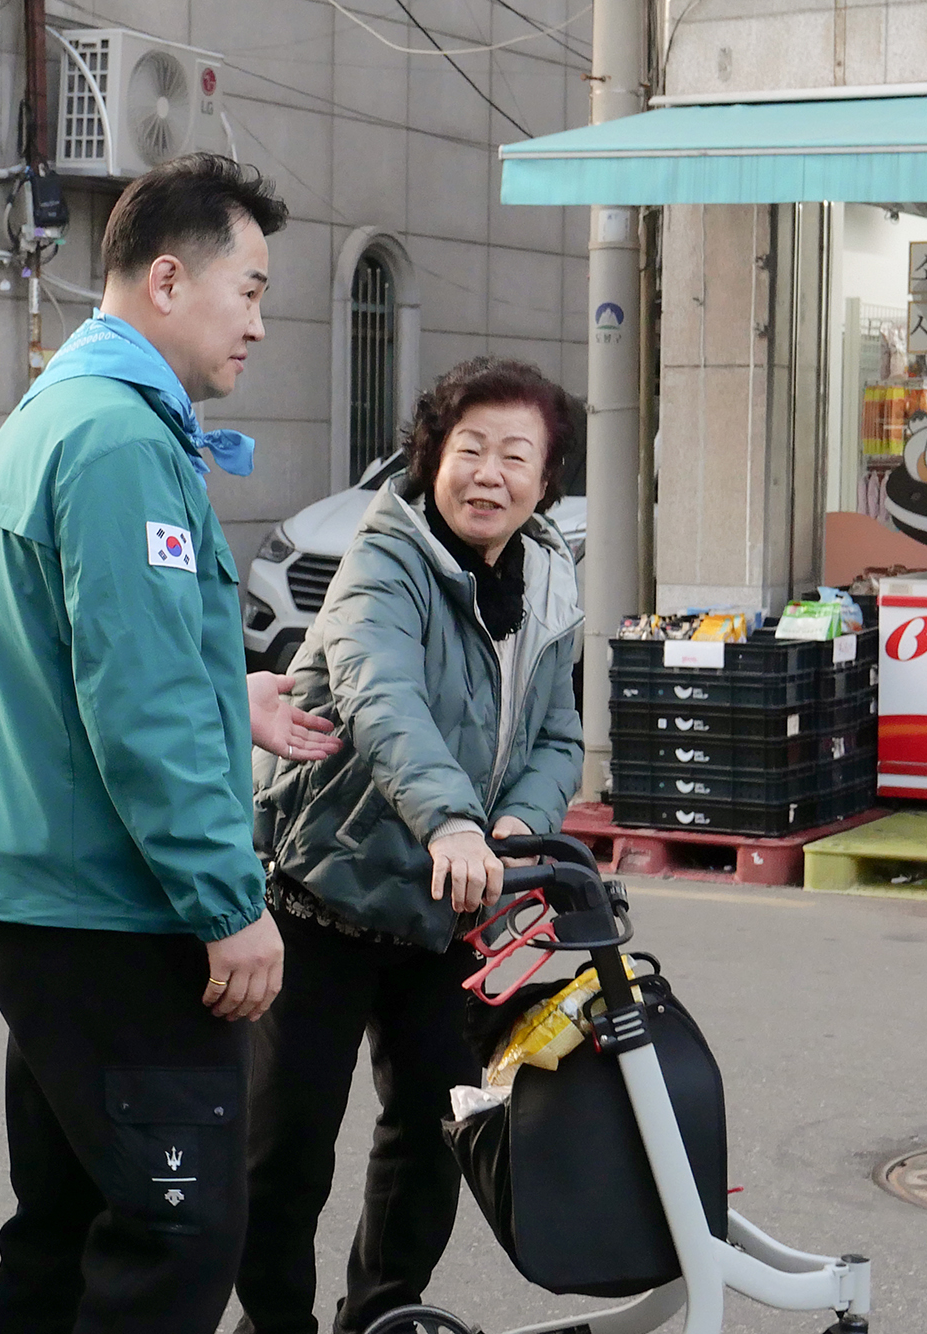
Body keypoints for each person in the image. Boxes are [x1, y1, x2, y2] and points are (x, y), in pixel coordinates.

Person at [0, 153, 339, 1334]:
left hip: (43, 894)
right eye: (251, 289)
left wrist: (235, 693)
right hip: (107, 904)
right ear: (167, 278)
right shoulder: (119, 441)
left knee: (65, 1224)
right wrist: (227, 901)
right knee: (176, 1233)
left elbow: (107, 654)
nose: (260, 324)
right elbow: (140, 702)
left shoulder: (60, 411)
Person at [234, 358, 586, 1334]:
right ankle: (271, 1325)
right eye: (468, 447)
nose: (488, 473)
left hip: (450, 903)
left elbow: (556, 735)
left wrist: (516, 823)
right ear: (431, 456)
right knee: (285, 1147)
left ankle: (380, 1316)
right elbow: (379, 694)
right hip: (322, 889)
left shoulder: (550, 581)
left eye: (515, 455)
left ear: (545, 478)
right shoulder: (382, 558)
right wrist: (454, 819)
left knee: (434, 1134)